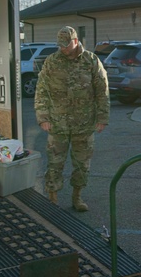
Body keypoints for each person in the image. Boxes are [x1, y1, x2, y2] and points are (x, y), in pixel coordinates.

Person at [34, 26, 110, 212]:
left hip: (84, 124)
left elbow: (102, 90)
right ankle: (52, 196)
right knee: (55, 162)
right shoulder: (52, 62)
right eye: (60, 45)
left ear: (75, 41)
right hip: (57, 122)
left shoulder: (91, 60)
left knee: (82, 164)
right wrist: (43, 117)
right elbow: (41, 90)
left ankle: (78, 196)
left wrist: (102, 117)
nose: (63, 48)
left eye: (66, 45)